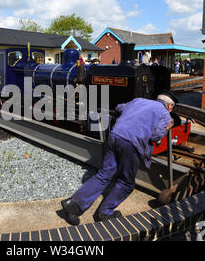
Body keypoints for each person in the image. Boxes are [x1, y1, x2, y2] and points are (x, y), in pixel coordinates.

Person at [60, 91, 178, 225]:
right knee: (126, 183)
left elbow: (119, 107)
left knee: (105, 174)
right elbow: (154, 136)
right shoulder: (165, 114)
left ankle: (73, 205)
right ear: (170, 106)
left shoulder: (139, 100)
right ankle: (104, 213)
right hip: (130, 144)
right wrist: (167, 128)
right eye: (171, 108)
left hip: (114, 136)